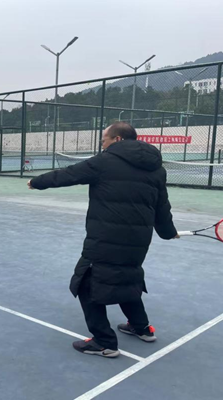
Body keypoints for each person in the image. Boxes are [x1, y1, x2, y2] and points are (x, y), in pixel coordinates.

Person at [28, 122, 179, 358]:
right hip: (138, 241)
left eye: (104, 140)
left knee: (87, 283)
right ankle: (141, 328)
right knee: (128, 278)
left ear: (117, 139)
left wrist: (36, 182)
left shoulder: (104, 161)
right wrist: (168, 232)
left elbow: (69, 174)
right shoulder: (156, 169)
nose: (102, 145)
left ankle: (104, 342)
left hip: (106, 238)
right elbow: (162, 205)